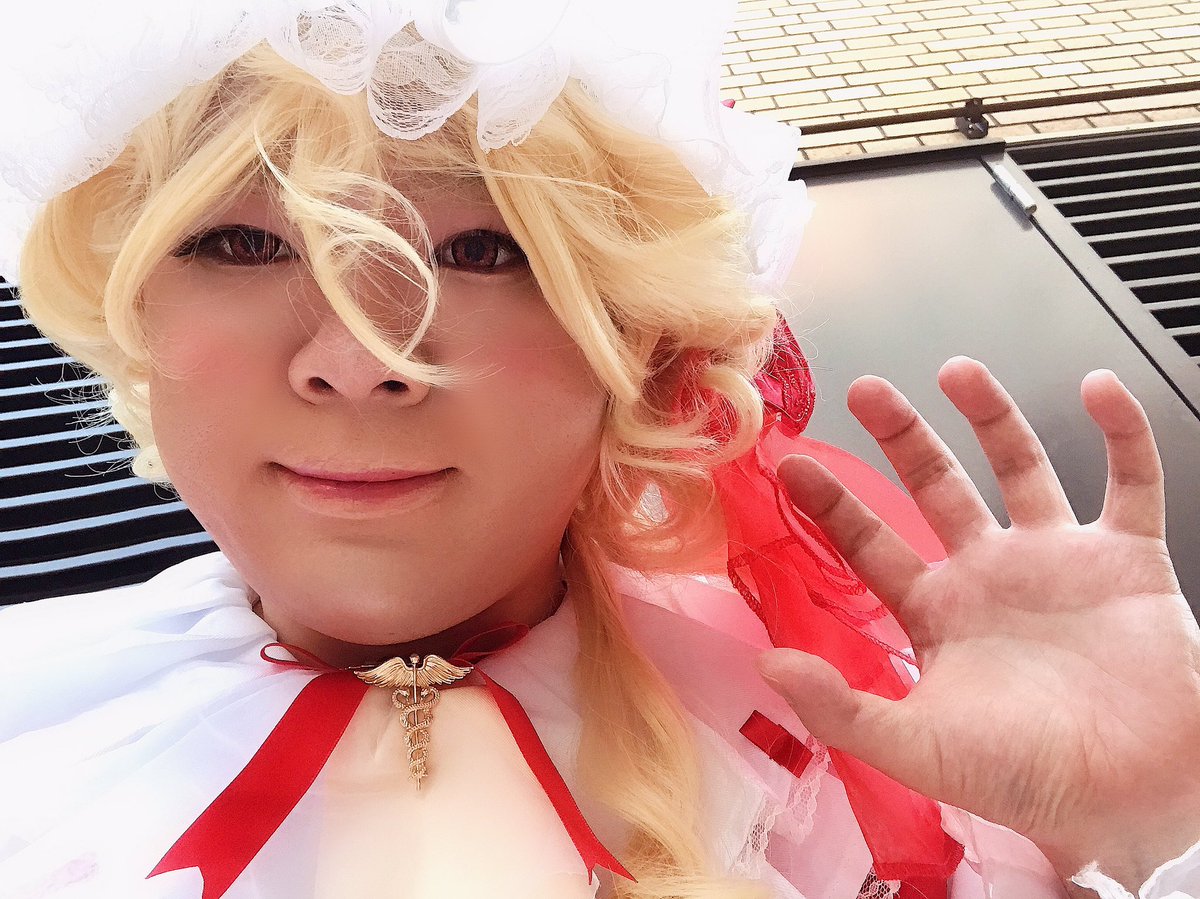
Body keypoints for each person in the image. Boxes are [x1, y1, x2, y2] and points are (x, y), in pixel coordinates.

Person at [1, 2, 1198, 897]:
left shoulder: (869, 745)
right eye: (242, 243)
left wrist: (1161, 814)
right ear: (131, 311)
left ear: (638, 347)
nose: (361, 356)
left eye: (486, 250)